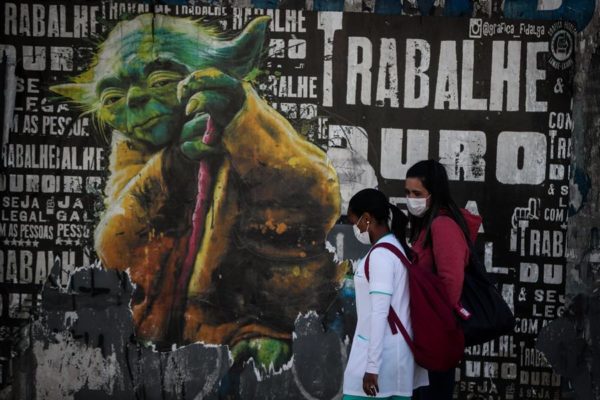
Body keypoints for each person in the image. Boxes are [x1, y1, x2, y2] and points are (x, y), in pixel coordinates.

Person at [405, 160, 482, 400]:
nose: (411, 199)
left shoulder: (443, 225)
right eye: (407, 192)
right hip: (425, 334)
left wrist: (434, 326)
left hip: (436, 336)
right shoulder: (426, 225)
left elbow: (451, 282)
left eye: (417, 193)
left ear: (434, 193)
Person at [343, 188, 428, 400]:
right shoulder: (396, 248)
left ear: (367, 218)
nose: (355, 228)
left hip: (379, 364)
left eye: (356, 222)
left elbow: (379, 313)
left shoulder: (381, 256)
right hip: (394, 360)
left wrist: (372, 368)